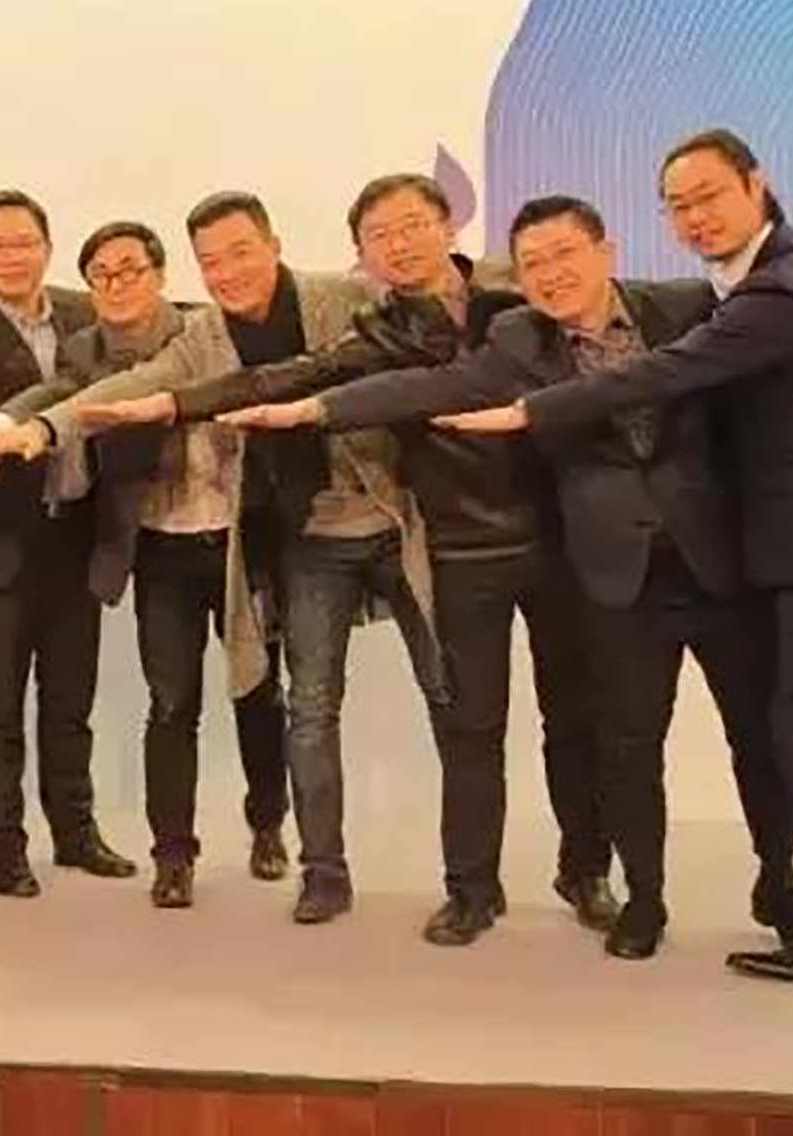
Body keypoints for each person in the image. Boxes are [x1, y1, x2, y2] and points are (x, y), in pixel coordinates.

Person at [226, 193, 793, 960]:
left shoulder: (679, 306)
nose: (551, 273)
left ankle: (687, 876)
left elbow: (754, 389)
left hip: (633, 557)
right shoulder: (499, 334)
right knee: (516, 734)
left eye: (565, 255)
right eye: (535, 263)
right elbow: (422, 390)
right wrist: (311, 411)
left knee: (666, 730)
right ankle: (503, 891)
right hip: (502, 559)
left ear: (607, 252)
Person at [438, 132, 793, 985]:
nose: (696, 217)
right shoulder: (754, 278)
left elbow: (666, 372)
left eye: (710, 196)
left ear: (757, 184)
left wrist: (532, 412)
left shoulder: (781, 287)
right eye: (679, 205)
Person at [76, 175, 612, 945]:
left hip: (468, 529)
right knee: (327, 710)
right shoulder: (377, 322)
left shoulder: (508, 292)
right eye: (380, 235)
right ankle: (362, 876)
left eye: (412, 226)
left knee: (518, 710)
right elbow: (285, 377)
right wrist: (149, 408)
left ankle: (583, 868)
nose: (400, 245)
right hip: (341, 540)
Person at [0, 191, 450, 925]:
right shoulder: (139, 342)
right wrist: (37, 430)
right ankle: (200, 858)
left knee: (291, 692)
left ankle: (284, 830)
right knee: (201, 704)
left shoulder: (296, 308)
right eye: (102, 274)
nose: (227, 271)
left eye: (239, 252)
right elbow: (101, 387)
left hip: (296, 531)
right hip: (196, 547)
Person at [0, 220, 293, 908]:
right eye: (101, 275)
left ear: (160, 273)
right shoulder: (86, 349)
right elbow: (61, 397)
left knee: (257, 689)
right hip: (161, 545)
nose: (117, 284)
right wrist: (14, 426)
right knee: (171, 702)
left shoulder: (208, 329)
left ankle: (268, 821)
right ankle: (173, 856)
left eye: (131, 269)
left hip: (240, 541)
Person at [0, 189, 136, 897]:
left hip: (78, 535)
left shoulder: (87, 311)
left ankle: (76, 834)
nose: (12, 256)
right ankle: (3, 849)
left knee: (71, 702)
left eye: (24, 242)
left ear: (47, 247)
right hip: (0, 544)